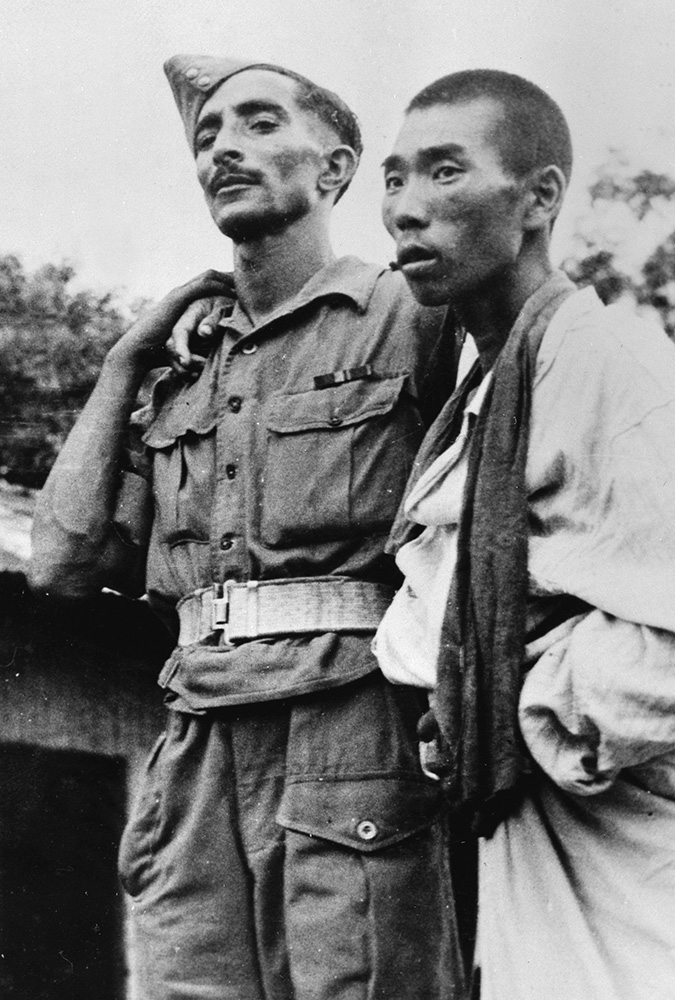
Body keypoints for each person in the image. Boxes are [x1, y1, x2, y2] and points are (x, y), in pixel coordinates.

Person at [28, 55, 466, 1000]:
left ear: (336, 167)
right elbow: (60, 565)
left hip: (349, 730)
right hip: (195, 743)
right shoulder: (179, 367)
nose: (224, 146)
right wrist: (121, 364)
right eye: (207, 135)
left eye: (260, 123)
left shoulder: (410, 313)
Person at [373, 68, 675, 999]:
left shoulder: (614, 366)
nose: (406, 208)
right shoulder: (481, 393)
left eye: (445, 172)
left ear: (540, 198)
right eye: (394, 179)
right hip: (540, 842)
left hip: (656, 844)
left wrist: (516, 710)